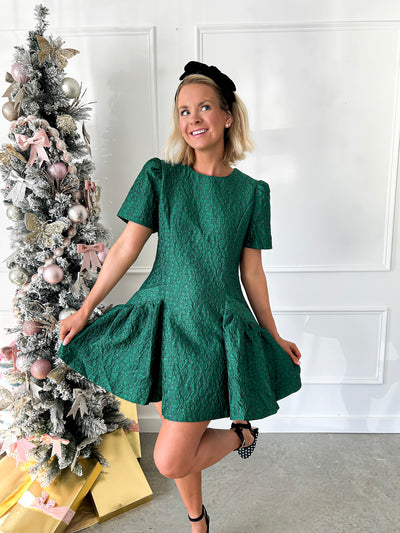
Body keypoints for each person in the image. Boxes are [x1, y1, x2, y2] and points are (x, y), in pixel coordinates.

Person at [58, 60, 302, 532]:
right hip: (163, 324)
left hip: (211, 331)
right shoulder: (160, 176)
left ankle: (242, 436)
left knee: (170, 457)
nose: (193, 119)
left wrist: (272, 334)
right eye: (184, 111)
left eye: (204, 107)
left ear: (227, 116)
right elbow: (125, 248)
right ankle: (198, 521)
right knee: (180, 439)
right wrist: (86, 309)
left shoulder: (252, 193)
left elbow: (252, 271)